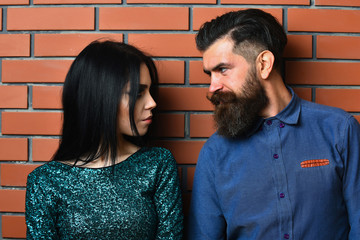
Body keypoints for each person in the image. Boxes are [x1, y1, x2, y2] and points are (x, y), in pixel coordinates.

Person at [188, 8, 360, 240]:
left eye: (223, 69)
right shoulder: (214, 153)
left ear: (264, 64)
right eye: (210, 74)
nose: (212, 87)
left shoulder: (339, 130)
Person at [25, 40, 183, 239]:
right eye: (138, 93)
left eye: (150, 91)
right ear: (101, 97)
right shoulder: (46, 181)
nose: (152, 102)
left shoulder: (157, 164)